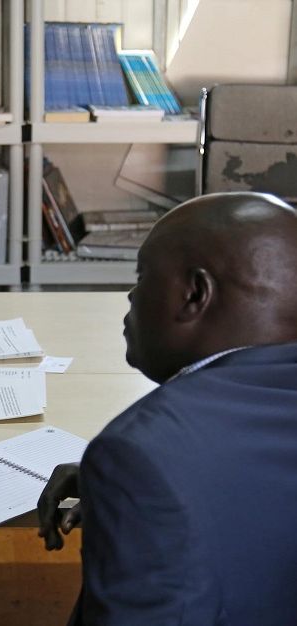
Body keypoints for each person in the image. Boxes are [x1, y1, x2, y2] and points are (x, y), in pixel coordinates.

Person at [37, 191, 297, 626]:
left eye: (142, 277)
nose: (131, 296)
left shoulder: (142, 452)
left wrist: (137, 481)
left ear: (195, 294)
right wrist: (132, 493)